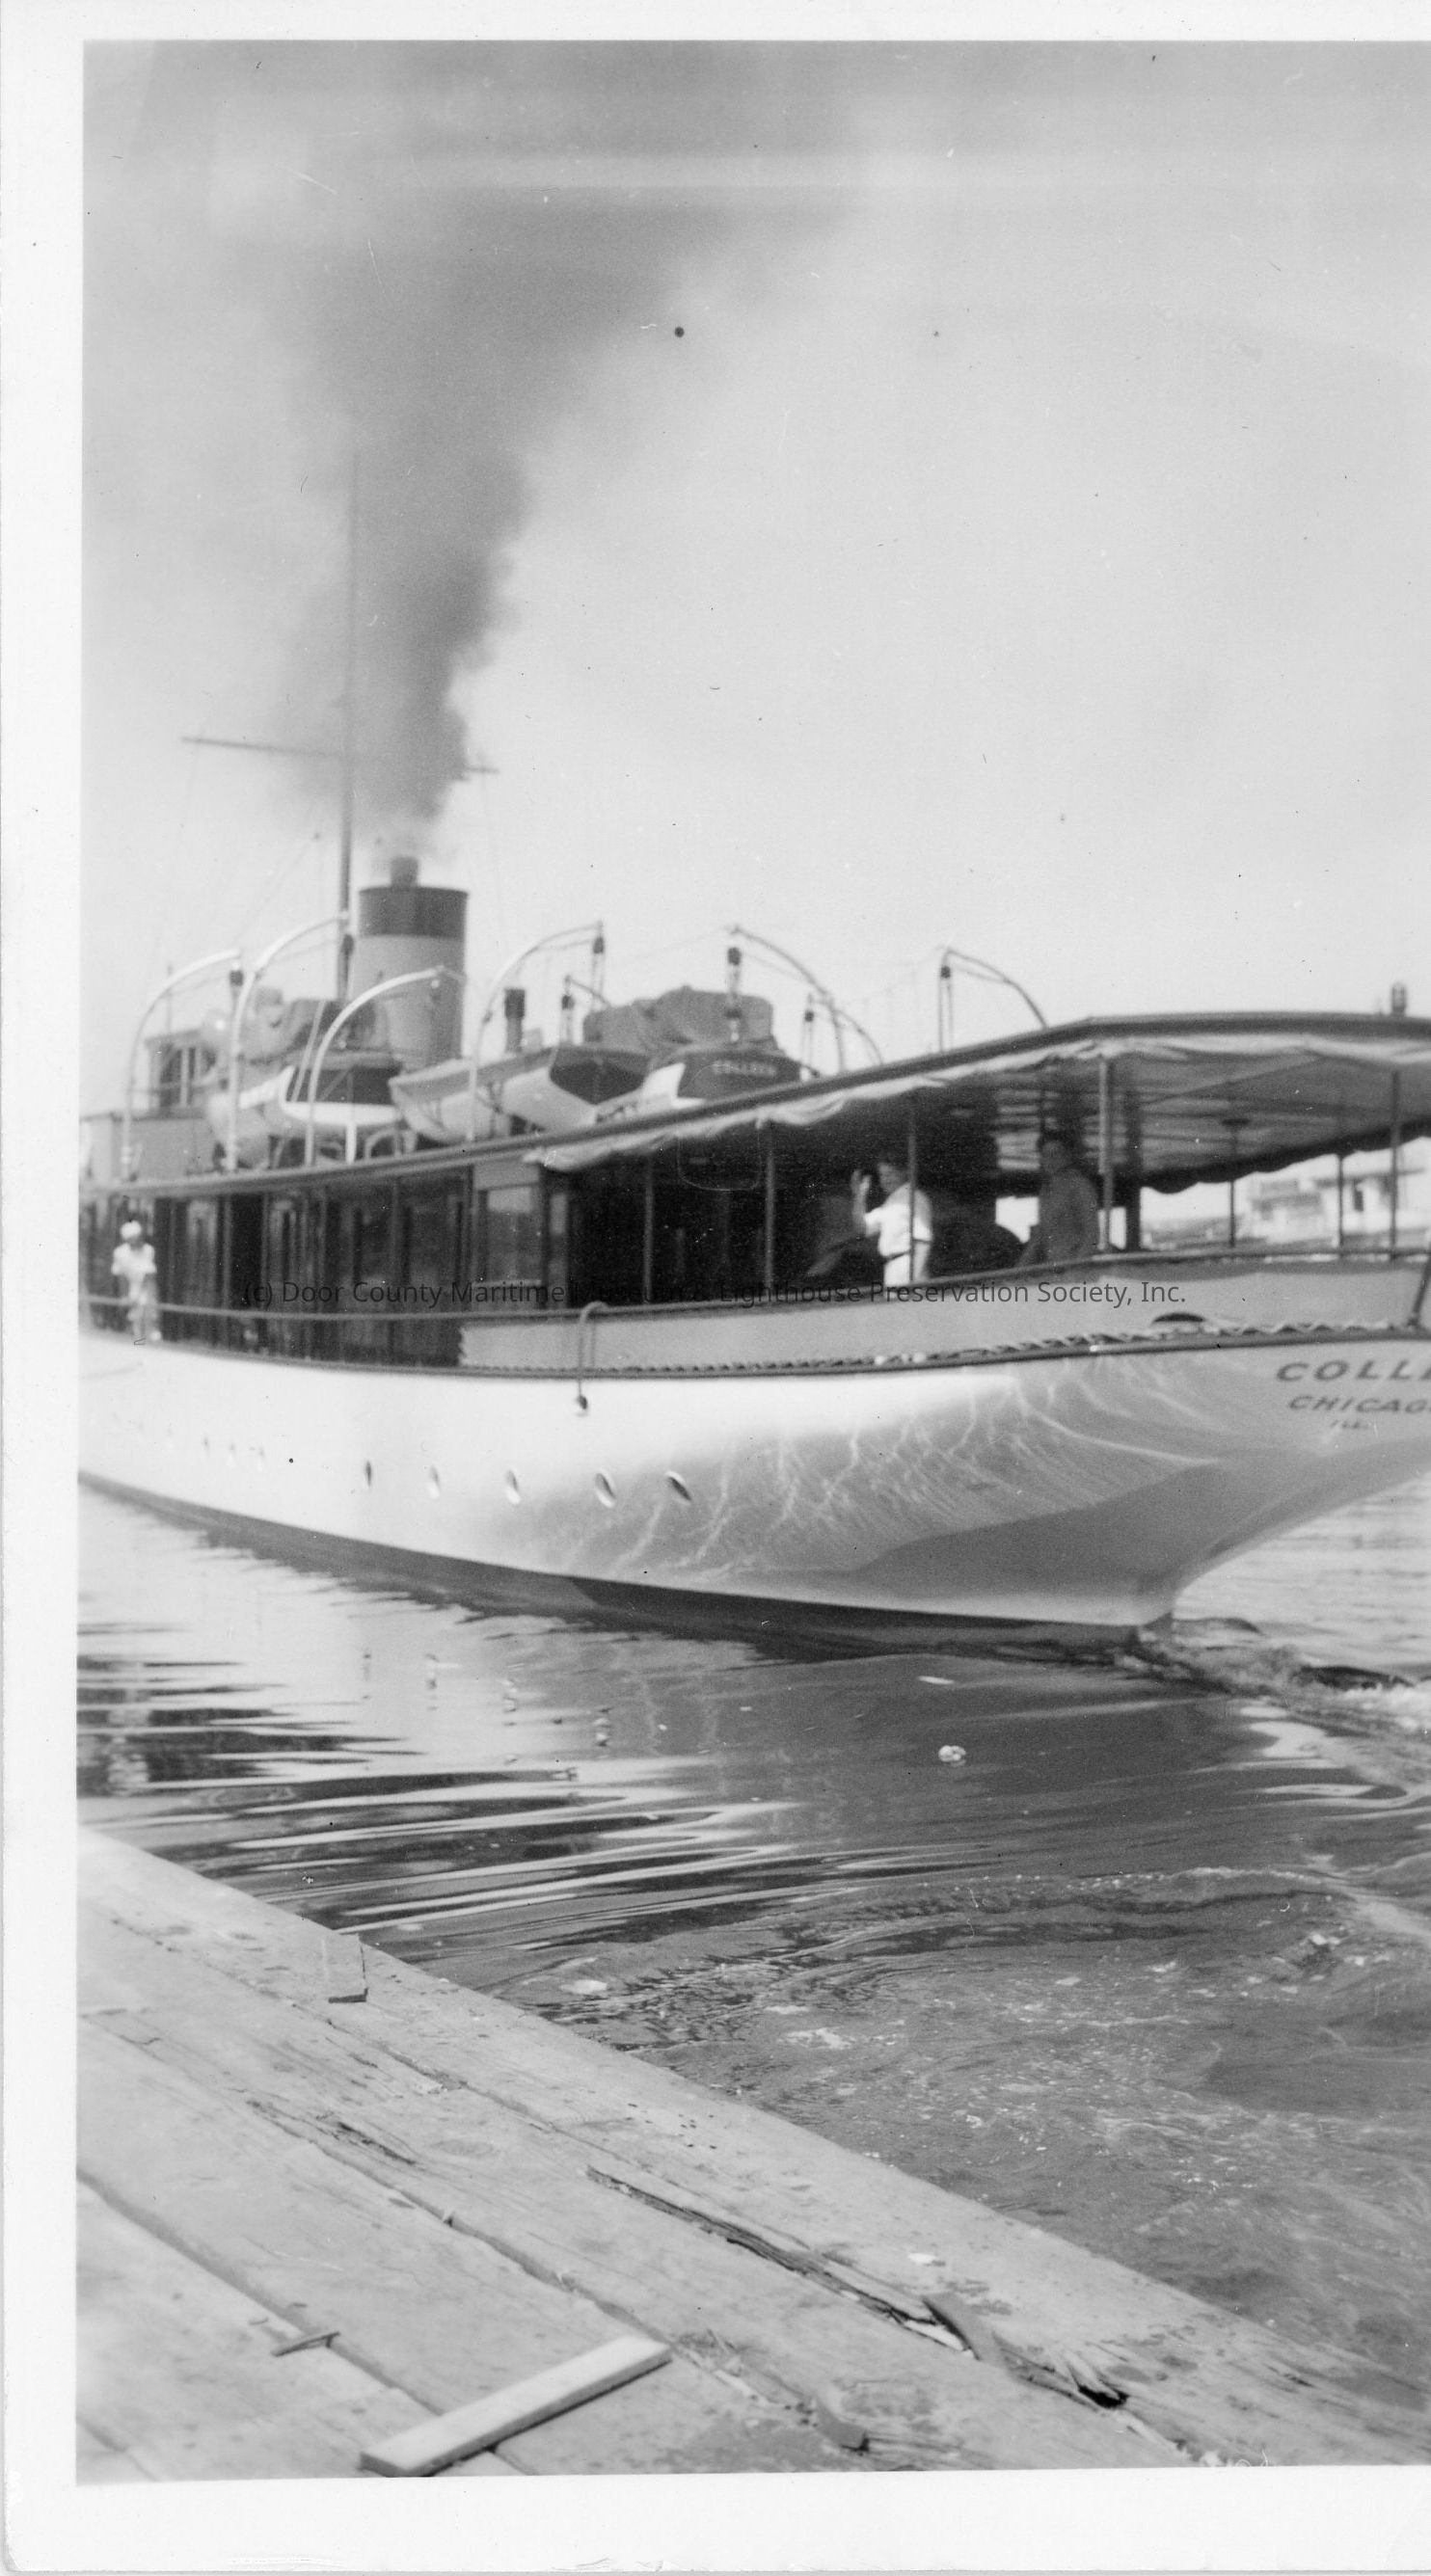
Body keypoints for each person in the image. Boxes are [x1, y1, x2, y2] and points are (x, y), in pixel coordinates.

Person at [1019, 1135, 1100, 1268]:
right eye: (1045, 1155)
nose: (1050, 1160)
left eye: (1056, 1154)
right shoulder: (1046, 1190)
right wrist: (1020, 1267)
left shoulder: (1081, 1186)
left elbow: (1092, 1234)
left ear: (1068, 1156)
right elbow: (1041, 1234)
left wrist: (1077, 1268)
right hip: (1054, 1267)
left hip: (1076, 1268)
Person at [851, 1157, 932, 1286]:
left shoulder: (914, 1197)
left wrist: (913, 1279)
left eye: (890, 1174)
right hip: (892, 1268)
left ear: (903, 1173)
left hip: (908, 1266)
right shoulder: (889, 1204)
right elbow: (862, 1228)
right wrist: (859, 1195)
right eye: (882, 1175)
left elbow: (923, 1240)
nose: (885, 1180)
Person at [111, 1220, 159, 1342]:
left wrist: (138, 1296)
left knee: (148, 1319)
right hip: (132, 1288)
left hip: (147, 1289)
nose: (139, 1240)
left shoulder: (148, 1250)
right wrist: (124, 1296)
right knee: (135, 1322)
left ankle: (147, 1344)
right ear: (128, 1239)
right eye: (135, 1238)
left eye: (139, 1237)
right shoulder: (119, 1253)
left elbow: (149, 1277)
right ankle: (138, 1345)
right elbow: (120, 1276)